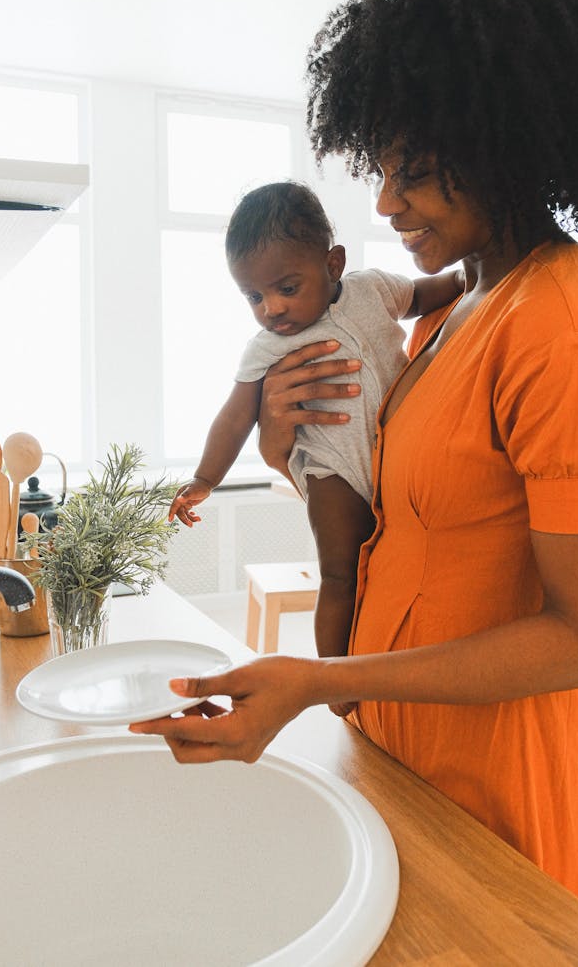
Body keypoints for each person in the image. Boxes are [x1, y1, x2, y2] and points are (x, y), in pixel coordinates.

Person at [133, 0, 578, 940]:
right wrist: (289, 453)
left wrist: (321, 677)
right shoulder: (461, 306)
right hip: (411, 758)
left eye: (411, 169)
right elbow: (422, 525)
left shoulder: (566, 321)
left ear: (506, 142)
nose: (383, 204)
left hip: (512, 796)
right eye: (380, 168)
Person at [169, 180, 463, 666]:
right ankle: (331, 676)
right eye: (254, 297)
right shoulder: (266, 347)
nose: (272, 309)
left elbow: (424, 294)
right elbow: (235, 416)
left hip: (401, 461)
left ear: (333, 265)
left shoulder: (373, 290)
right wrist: (205, 479)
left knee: (400, 563)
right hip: (333, 471)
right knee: (341, 574)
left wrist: (470, 280)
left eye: (287, 288)